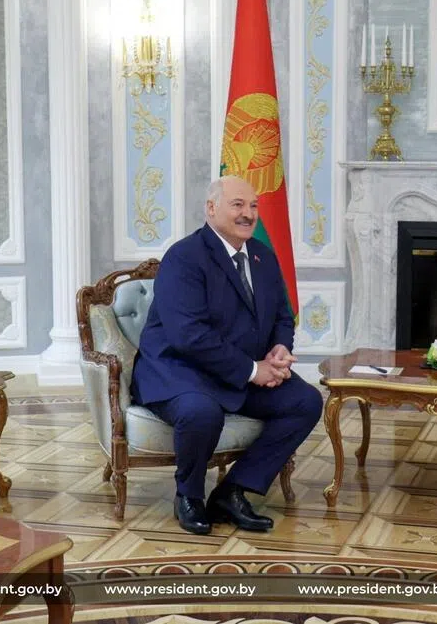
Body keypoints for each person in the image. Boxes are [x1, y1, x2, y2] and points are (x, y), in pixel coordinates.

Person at [131, 175, 323, 535]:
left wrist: (280, 349)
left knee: (306, 401)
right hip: (181, 370)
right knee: (201, 412)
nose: (248, 213)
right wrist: (252, 370)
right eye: (238, 205)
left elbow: (282, 315)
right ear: (211, 208)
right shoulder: (184, 257)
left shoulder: (263, 255)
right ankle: (189, 496)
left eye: (253, 206)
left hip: (237, 370)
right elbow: (189, 336)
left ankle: (233, 491)